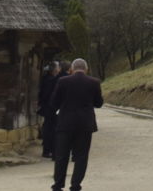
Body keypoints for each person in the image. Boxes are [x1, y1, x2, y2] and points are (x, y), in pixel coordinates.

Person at [50, 58, 104, 191]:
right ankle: (75, 185)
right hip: (85, 124)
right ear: (86, 69)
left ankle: (58, 185)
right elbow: (99, 103)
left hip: (65, 123)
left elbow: (54, 102)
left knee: (62, 155)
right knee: (81, 156)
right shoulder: (94, 82)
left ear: (72, 69)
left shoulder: (63, 81)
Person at [38, 63, 61, 158]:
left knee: (49, 128)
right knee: (50, 129)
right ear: (55, 70)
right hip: (50, 108)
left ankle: (48, 149)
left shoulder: (47, 78)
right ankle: (47, 150)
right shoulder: (50, 80)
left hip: (48, 108)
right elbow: (47, 95)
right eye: (58, 68)